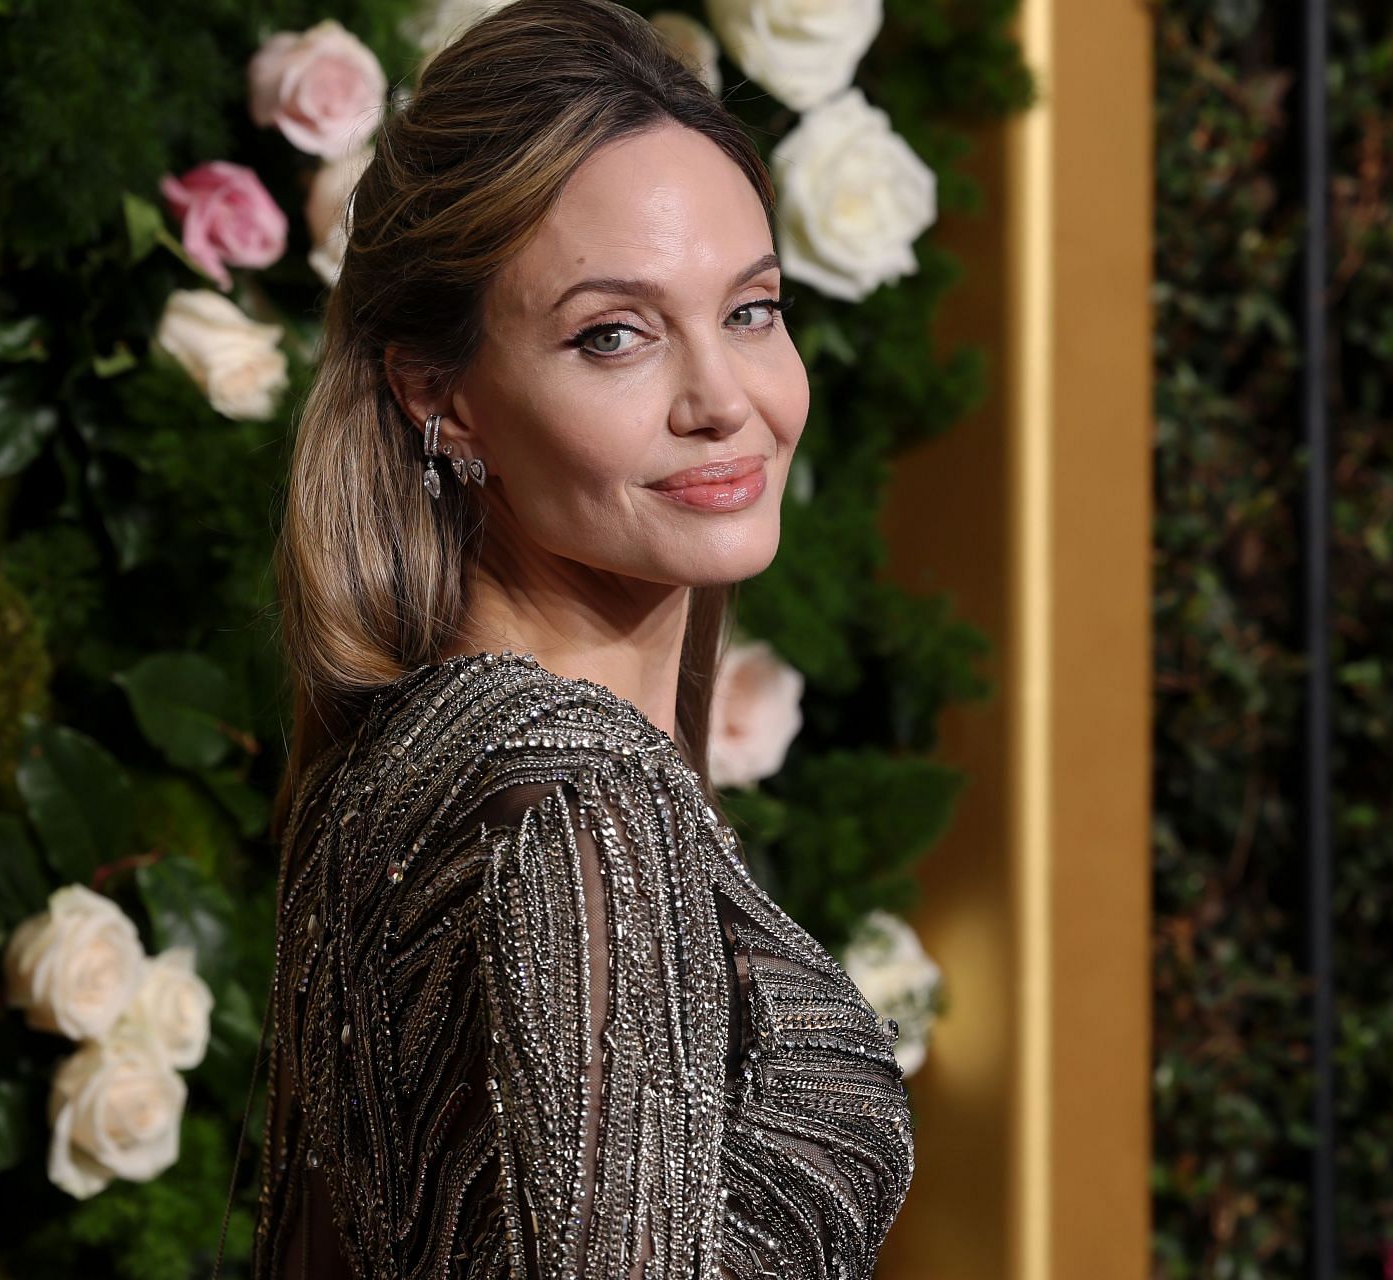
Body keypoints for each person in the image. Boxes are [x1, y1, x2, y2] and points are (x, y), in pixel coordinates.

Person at [220, 0, 916, 1274]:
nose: (724, 402)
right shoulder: (579, 804)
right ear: (443, 396)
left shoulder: (408, 756)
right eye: (615, 335)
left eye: (752, 311)